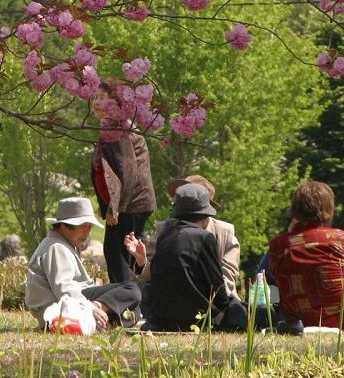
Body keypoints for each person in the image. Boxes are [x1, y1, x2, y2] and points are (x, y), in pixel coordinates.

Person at [268, 181, 344, 331]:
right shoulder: (339, 237)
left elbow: (274, 275)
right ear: (328, 209)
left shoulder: (278, 244)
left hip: (300, 317)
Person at [128, 183, 246, 331]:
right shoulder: (204, 238)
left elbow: (228, 275)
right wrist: (226, 308)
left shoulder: (166, 234)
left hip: (162, 317)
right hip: (196, 318)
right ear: (205, 213)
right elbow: (217, 288)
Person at [25, 196, 142, 330]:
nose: (87, 232)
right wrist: (91, 307)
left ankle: (101, 324)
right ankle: (93, 319)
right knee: (131, 290)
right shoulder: (56, 247)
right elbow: (64, 289)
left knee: (134, 309)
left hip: (69, 305)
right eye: (82, 226)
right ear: (64, 225)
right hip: (58, 309)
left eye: (89, 227)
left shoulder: (62, 244)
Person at [141, 174, 240, 299]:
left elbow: (228, 277)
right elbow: (153, 275)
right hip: (173, 305)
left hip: (214, 307)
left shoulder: (225, 232)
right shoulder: (164, 229)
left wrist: (205, 302)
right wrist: (141, 261)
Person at [91, 123, 156, 284]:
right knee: (118, 253)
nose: (97, 103)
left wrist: (116, 206)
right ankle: (126, 296)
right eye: (96, 97)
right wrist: (105, 203)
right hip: (128, 204)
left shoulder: (121, 132)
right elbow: (109, 170)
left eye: (102, 98)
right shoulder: (114, 129)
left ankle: (123, 299)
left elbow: (127, 171)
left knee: (118, 254)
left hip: (131, 205)